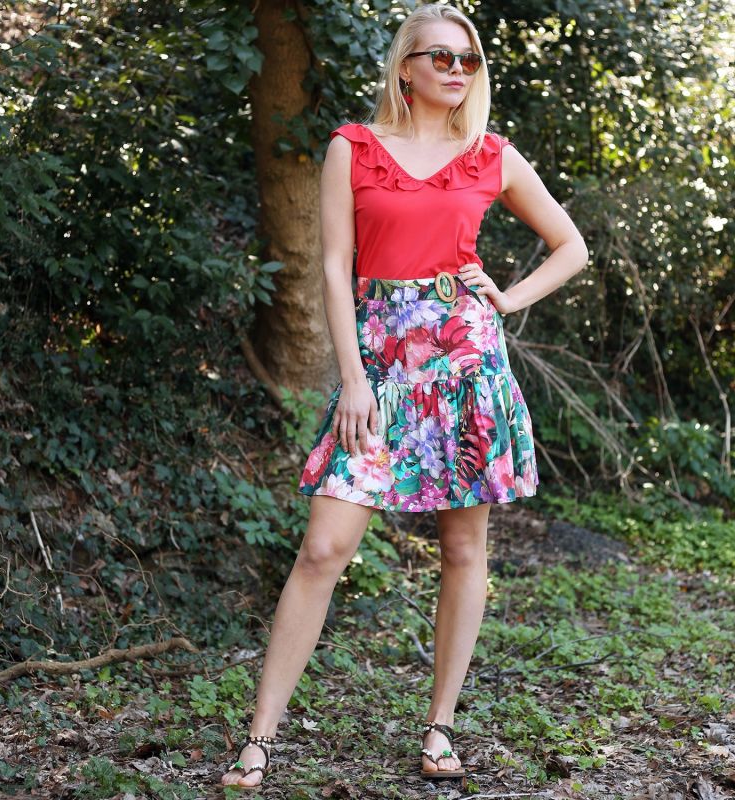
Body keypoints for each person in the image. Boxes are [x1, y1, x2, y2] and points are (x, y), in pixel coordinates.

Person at [221, 2, 588, 789]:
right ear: (405, 65)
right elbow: (333, 268)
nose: (458, 70)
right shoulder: (353, 148)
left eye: (469, 60)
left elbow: (571, 246)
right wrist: (352, 377)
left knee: (463, 548)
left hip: (463, 359)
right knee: (323, 548)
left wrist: (508, 298)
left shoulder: (491, 154)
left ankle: (440, 728)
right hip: (379, 365)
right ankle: (258, 739)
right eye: (442, 56)